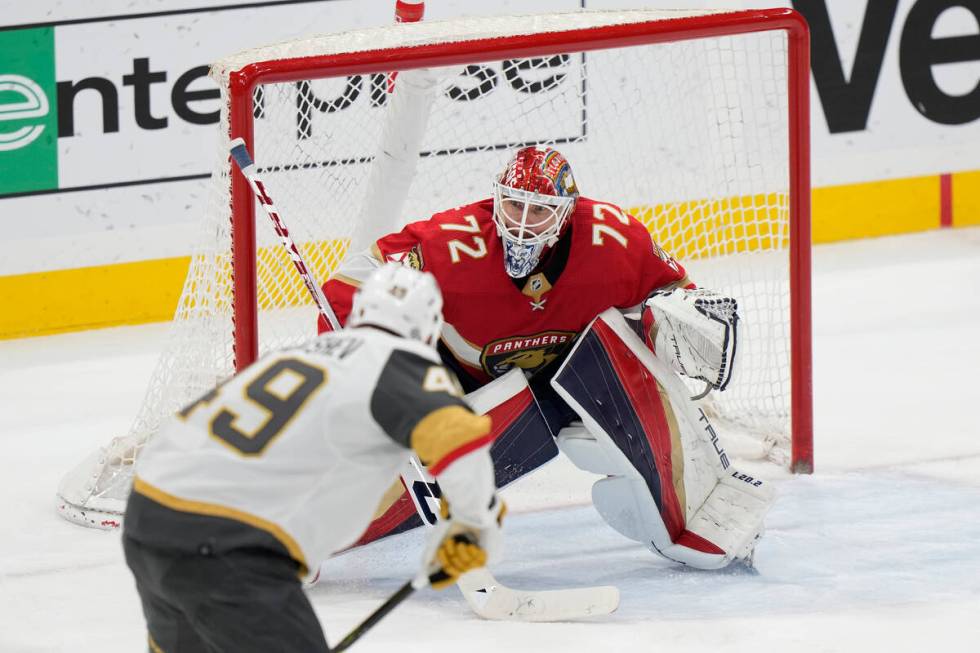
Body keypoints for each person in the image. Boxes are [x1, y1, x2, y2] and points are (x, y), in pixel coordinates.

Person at [323, 146, 770, 570]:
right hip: (462, 382)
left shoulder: (613, 240)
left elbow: (677, 293)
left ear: (566, 210)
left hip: (563, 386)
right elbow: (347, 288)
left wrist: (683, 320)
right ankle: (305, 533)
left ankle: (694, 510)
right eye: (514, 205)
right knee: (409, 466)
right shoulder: (451, 243)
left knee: (614, 359)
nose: (522, 222)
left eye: (538, 210)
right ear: (497, 200)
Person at [123, 263, 505, 653]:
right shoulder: (402, 363)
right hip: (228, 545)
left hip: (147, 518)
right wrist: (474, 523)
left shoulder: (296, 355)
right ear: (429, 327)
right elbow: (459, 436)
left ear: (359, 312)